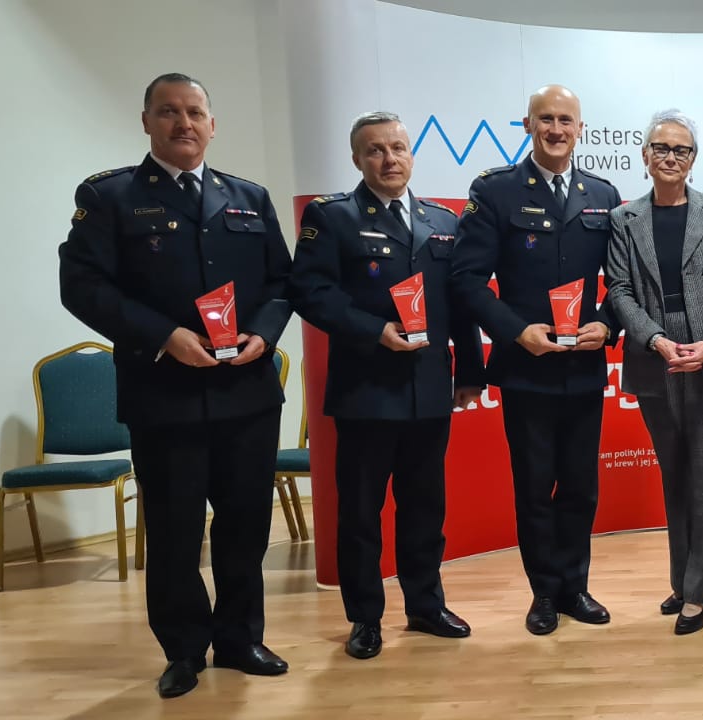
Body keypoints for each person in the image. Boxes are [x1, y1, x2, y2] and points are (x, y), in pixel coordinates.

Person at [58, 73, 293, 698]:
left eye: (194, 112)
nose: (183, 123)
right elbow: (81, 286)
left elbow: (281, 282)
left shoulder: (249, 196)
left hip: (246, 391)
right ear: (146, 122)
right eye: (168, 112)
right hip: (163, 392)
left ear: (212, 124)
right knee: (174, 529)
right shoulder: (109, 196)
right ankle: (184, 649)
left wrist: (264, 334)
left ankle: (241, 638)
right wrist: (164, 335)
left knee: (245, 524)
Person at [289, 111, 485, 659]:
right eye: (375, 150)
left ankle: (425, 605)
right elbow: (311, 293)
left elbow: (461, 304)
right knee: (360, 513)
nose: (389, 158)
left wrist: (471, 372)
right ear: (357, 158)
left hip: (430, 389)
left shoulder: (441, 220)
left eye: (397, 147)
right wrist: (374, 330)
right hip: (367, 390)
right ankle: (365, 617)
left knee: (425, 507)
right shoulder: (332, 216)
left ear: (411, 153)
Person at [450, 85, 623, 637]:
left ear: (580, 128)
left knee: (580, 488)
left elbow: (624, 280)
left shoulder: (603, 193)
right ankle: (544, 593)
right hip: (527, 370)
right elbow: (467, 280)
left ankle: (575, 587)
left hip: (584, 368)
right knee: (534, 487)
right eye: (545, 119)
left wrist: (608, 323)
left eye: (565, 120)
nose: (555, 129)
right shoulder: (495, 190)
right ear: (527, 125)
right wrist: (514, 332)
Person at [605, 109, 703, 635]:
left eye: (680, 149)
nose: (670, 157)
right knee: (675, 473)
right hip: (653, 350)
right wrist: (657, 339)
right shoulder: (624, 218)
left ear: (693, 158)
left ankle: (701, 592)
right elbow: (619, 290)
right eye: (661, 148)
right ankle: (684, 580)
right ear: (645, 156)